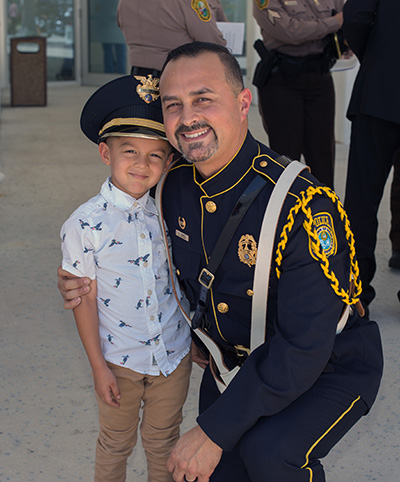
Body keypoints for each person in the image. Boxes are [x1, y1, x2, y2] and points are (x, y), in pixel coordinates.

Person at [58, 42, 383, 482]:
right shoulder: (169, 187)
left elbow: (305, 345)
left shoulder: (303, 204)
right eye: (174, 106)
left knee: (269, 454)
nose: (188, 117)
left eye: (203, 99)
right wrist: (79, 276)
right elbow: (126, 241)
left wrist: (214, 430)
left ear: (243, 101)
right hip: (232, 363)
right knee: (204, 470)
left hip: (325, 364)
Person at [60, 75, 192, 482]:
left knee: (164, 442)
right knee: (116, 443)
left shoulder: (171, 211)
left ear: (169, 161)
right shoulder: (85, 225)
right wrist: (98, 367)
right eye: (129, 150)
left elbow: (180, 279)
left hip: (173, 357)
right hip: (119, 362)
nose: (142, 164)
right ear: (105, 152)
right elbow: (81, 298)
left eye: (156, 155)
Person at [342, 0, 400, 310]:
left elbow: (357, 17)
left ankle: (356, 293)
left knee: (361, 199)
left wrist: (379, 56)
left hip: (378, 92)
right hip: (379, 88)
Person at [252, 0, 345, 189]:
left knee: (323, 154)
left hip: (320, 76)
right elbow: (290, 32)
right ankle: (286, 213)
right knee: (286, 155)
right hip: (283, 80)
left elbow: (346, 20)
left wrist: (345, 41)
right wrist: (334, 22)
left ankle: (324, 212)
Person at [116, 0, 227, 77]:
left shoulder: (124, 1)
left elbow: (121, 24)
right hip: (177, 74)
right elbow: (211, 41)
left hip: (138, 75)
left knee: (142, 111)